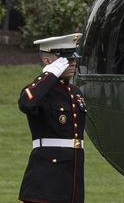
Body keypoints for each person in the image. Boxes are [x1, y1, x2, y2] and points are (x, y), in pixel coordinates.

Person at [18, 33, 87, 203]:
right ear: (48, 62)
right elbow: (26, 104)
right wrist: (49, 76)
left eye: (73, 58)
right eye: (65, 59)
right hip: (46, 179)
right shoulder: (40, 91)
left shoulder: (74, 92)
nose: (72, 63)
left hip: (72, 177)